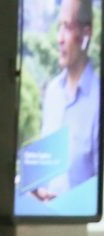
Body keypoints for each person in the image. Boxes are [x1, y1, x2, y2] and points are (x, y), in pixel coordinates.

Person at [33, 0, 100, 202]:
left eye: (67, 27)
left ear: (86, 34)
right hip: (44, 221)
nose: (59, 39)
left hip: (82, 227)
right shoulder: (53, 92)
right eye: (58, 27)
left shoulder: (98, 99)